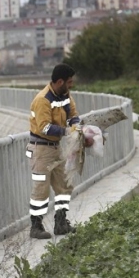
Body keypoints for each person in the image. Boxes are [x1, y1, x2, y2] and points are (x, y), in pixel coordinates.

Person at [26, 63, 92, 239]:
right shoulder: (42, 100)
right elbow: (44, 128)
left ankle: (61, 223)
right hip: (41, 150)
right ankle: (36, 226)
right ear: (60, 81)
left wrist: (78, 129)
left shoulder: (65, 95)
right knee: (41, 188)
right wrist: (67, 131)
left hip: (56, 148)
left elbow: (73, 116)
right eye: (69, 82)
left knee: (65, 185)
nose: (71, 85)